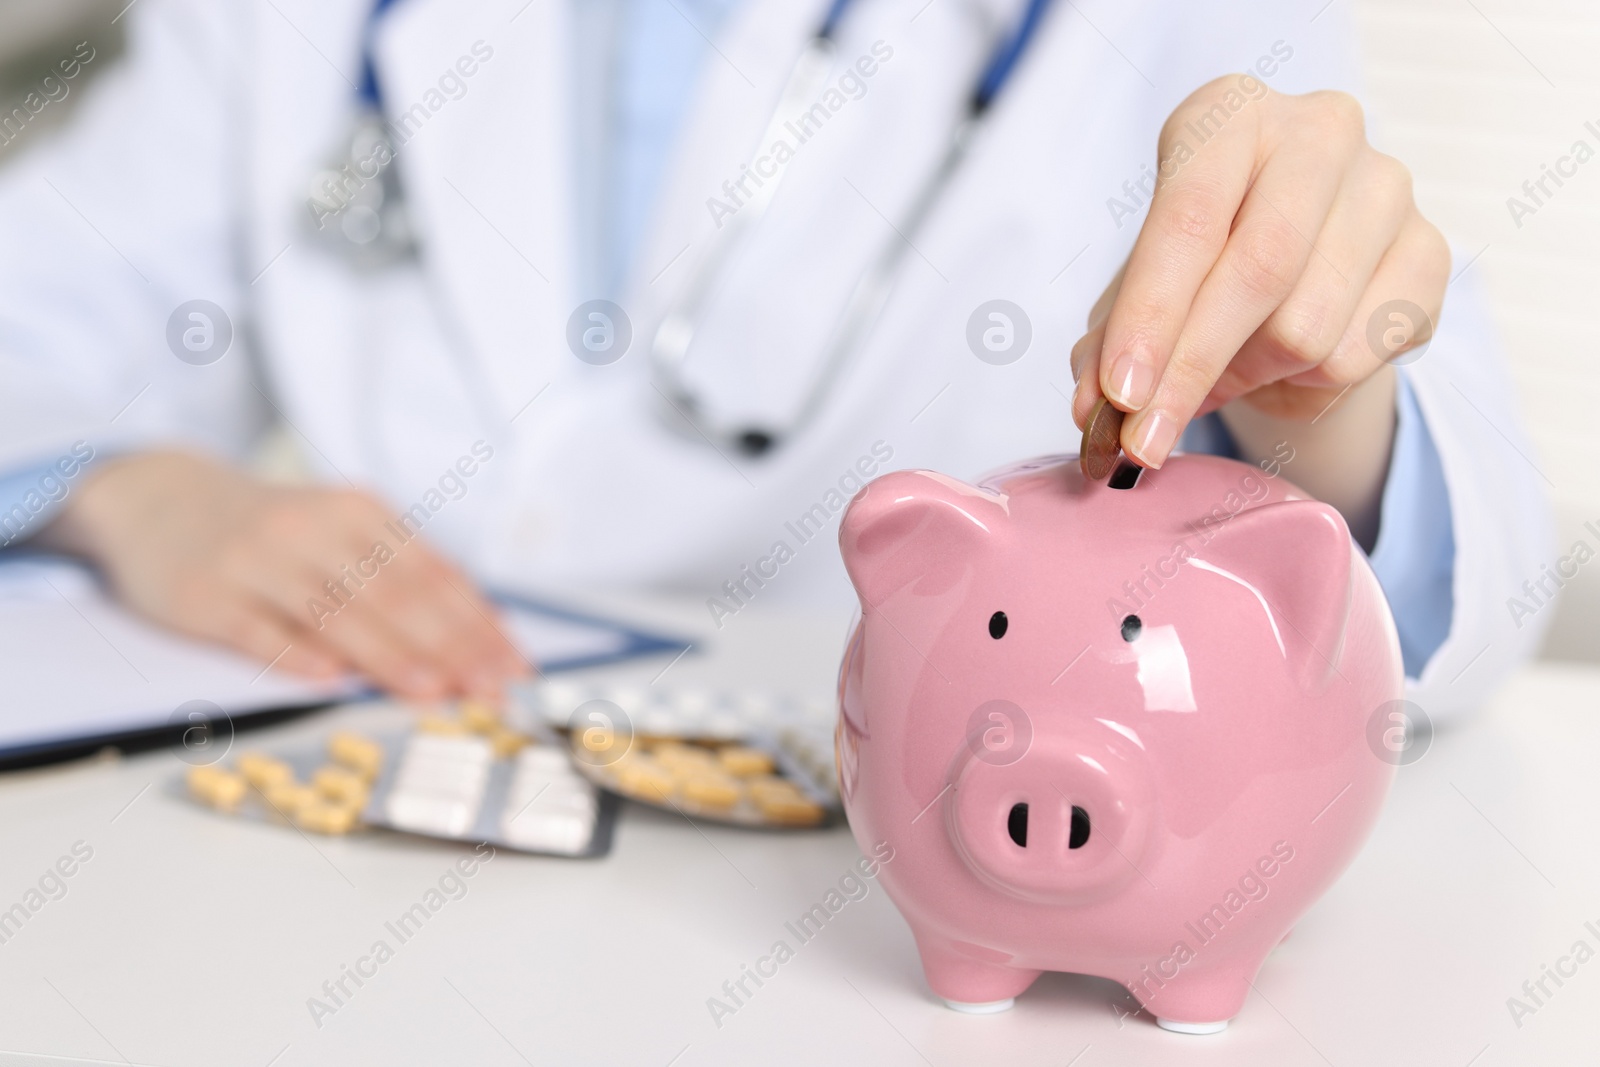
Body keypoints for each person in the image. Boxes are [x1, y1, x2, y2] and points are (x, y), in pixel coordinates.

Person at [0, 0, 1552, 720]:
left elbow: (1450, 573)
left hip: (865, 864)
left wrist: (1325, 406)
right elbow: (41, 304)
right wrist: (121, 487)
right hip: (366, 788)